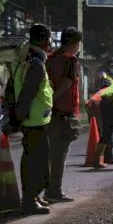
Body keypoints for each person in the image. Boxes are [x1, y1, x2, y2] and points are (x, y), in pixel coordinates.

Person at [14, 24, 54, 213]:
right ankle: (30, 200)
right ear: (45, 41)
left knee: (32, 159)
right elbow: (28, 93)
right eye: (49, 40)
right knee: (38, 162)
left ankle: (33, 196)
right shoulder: (36, 64)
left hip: (33, 119)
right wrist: (17, 118)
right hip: (35, 121)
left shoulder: (24, 60)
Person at [45, 27, 82, 204]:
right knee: (59, 155)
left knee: (49, 153)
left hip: (46, 112)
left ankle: (47, 189)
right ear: (75, 44)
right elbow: (67, 84)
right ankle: (54, 191)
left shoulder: (49, 59)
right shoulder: (71, 61)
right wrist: (53, 99)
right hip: (63, 112)